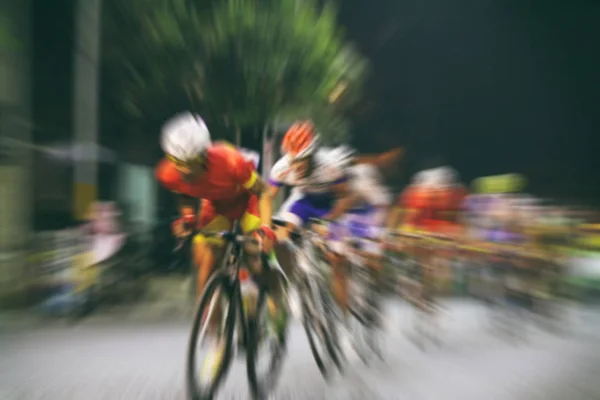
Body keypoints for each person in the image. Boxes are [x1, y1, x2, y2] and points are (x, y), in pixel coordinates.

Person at [154, 112, 282, 372]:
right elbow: (184, 194)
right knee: (205, 263)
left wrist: (266, 231)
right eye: (178, 162)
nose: (184, 170)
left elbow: (265, 192)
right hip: (217, 207)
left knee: (254, 255)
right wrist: (188, 218)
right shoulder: (170, 172)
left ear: (203, 155)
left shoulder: (230, 161)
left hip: (249, 202)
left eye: (189, 163)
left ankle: (271, 303)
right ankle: (217, 343)